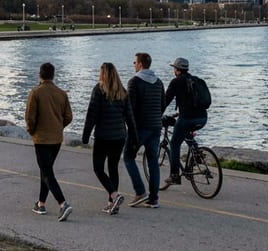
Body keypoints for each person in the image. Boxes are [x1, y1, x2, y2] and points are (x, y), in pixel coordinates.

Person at [82, 62, 137, 215]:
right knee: (113, 168)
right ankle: (112, 204)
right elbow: (130, 118)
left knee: (98, 168)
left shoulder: (99, 90)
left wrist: (86, 135)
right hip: (119, 136)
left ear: (103, 74)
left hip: (103, 136)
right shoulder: (123, 92)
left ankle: (114, 195)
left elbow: (91, 114)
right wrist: (134, 137)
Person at [25, 62, 73, 221]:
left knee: (47, 172)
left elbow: (30, 117)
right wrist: (59, 126)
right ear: (53, 75)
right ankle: (41, 203)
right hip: (56, 139)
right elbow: (68, 117)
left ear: (40, 74)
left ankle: (63, 203)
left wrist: (32, 131)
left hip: (42, 138)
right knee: (46, 171)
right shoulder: (61, 93)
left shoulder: (36, 92)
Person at [123, 52, 166, 208]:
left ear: (140, 64)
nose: (134, 65)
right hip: (156, 126)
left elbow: (130, 108)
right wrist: (156, 117)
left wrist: (129, 127)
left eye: (134, 62)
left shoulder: (134, 82)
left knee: (128, 156)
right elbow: (163, 104)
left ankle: (140, 191)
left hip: (140, 127)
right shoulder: (159, 82)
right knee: (152, 161)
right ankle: (153, 198)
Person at [160, 57, 208, 191]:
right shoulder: (195, 79)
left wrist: (157, 115)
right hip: (203, 118)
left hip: (187, 118)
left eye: (174, 68)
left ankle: (175, 175)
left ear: (176, 70)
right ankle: (197, 154)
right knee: (186, 131)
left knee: (174, 143)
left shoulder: (176, 82)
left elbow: (165, 101)